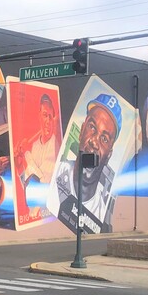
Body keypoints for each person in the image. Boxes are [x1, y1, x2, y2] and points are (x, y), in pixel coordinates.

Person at [54, 93, 122, 232]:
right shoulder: (55, 176)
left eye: (104, 138)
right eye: (92, 127)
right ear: (81, 131)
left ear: (109, 154)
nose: (94, 142)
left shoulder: (100, 214)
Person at [15, 94, 59, 190]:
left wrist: (26, 153)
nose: (48, 121)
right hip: (33, 204)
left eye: (51, 117)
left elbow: (41, 182)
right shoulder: (35, 146)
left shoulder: (55, 146)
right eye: (45, 115)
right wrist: (19, 167)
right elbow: (26, 184)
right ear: (39, 116)